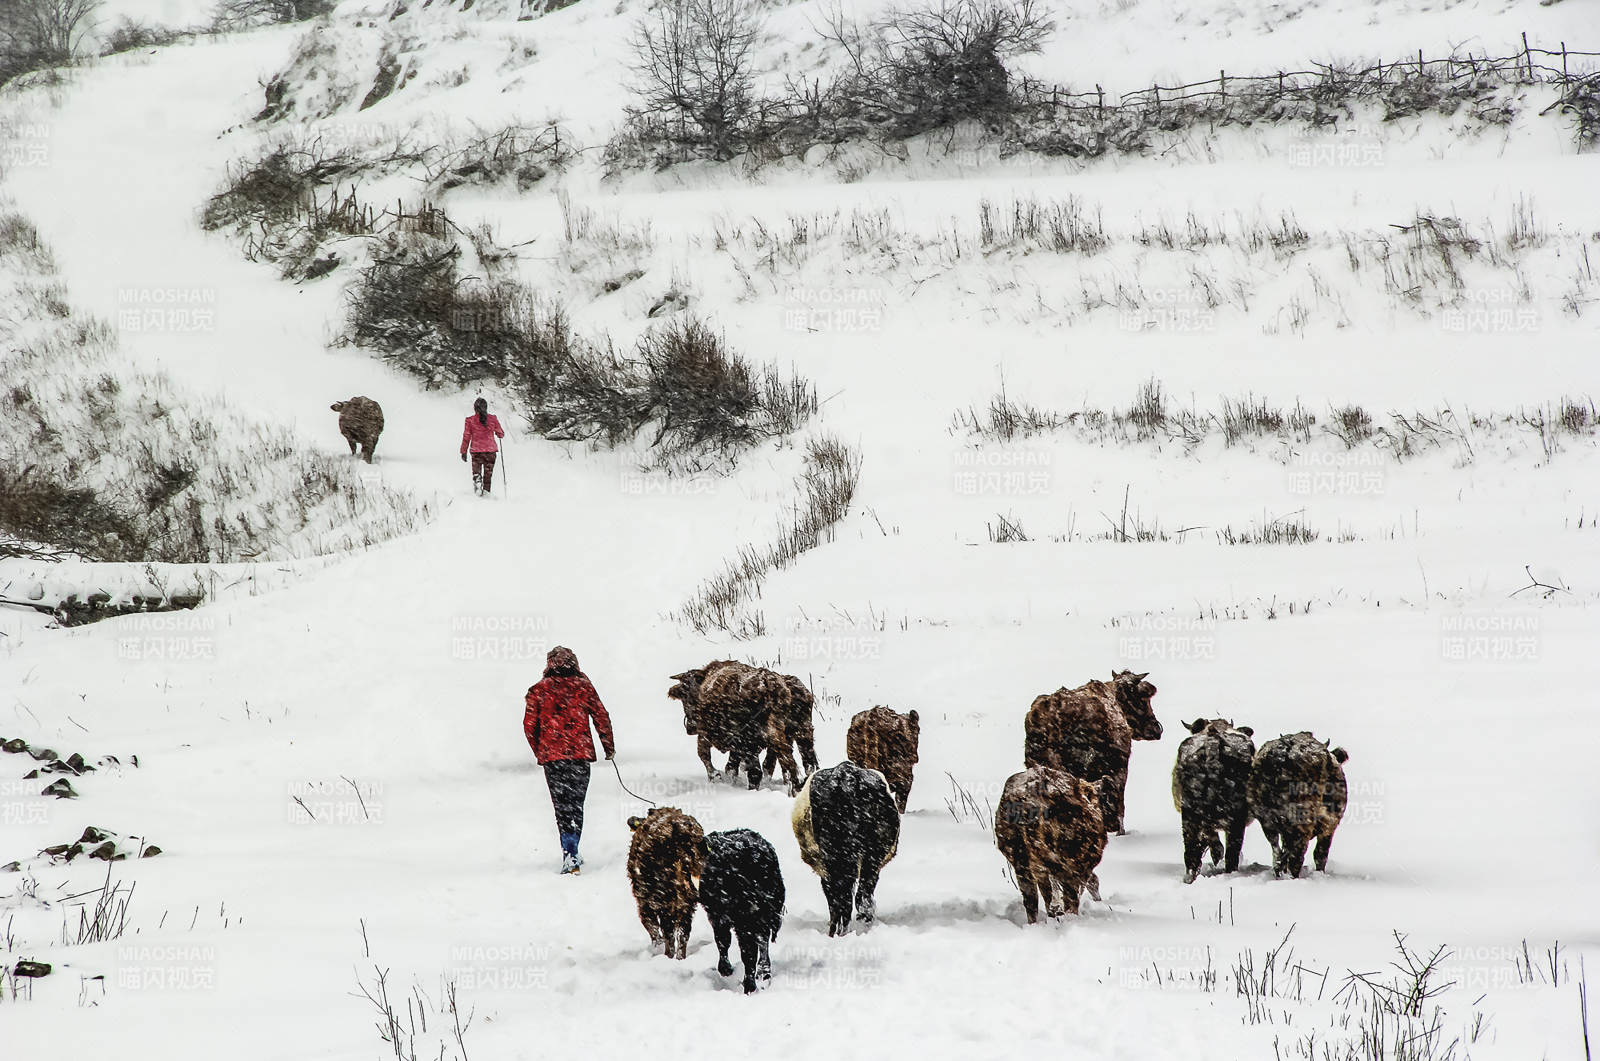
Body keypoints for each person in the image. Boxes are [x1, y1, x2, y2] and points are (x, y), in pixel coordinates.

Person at [523, 646, 615, 874]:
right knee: (576, 804)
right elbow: (601, 716)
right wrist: (608, 746)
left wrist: (541, 751)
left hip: (553, 759)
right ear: (574, 663)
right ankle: (572, 849)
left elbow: (529, 726)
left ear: (549, 664)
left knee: (561, 806)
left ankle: (569, 853)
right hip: (579, 755)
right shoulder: (583, 687)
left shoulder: (538, 690)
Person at [460, 397, 505, 496]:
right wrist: (497, 432)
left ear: (475, 408)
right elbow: (501, 434)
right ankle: (486, 493)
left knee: (476, 472)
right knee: (488, 475)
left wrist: (463, 451)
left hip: (476, 451)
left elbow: (466, 436)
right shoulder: (493, 419)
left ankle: (477, 482)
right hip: (490, 451)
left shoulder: (470, 420)